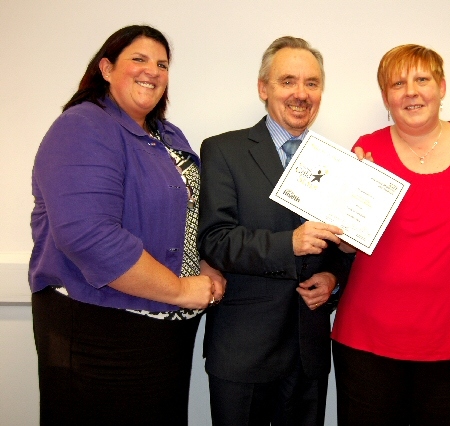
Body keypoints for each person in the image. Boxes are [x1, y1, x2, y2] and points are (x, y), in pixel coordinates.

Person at [29, 25, 226, 425]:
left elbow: (189, 215)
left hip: (162, 333)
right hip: (99, 331)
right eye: (138, 59)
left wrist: (206, 265)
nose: (152, 70)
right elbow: (89, 236)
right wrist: (179, 290)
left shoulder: (168, 135)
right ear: (106, 67)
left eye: (162, 64)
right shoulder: (82, 126)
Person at [331, 44, 450, 425]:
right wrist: (350, 216)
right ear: (385, 97)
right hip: (369, 342)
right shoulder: (366, 150)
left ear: (441, 86)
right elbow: (345, 242)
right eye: (397, 83)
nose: (411, 91)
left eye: (422, 79)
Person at [197, 36, 353, 426]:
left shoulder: (335, 162)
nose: (301, 93)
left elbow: (340, 244)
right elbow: (215, 240)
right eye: (288, 81)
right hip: (242, 349)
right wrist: (290, 244)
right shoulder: (223, 150)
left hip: (308, 351)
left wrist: (333, 277)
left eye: (312, 83)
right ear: (264, 88)